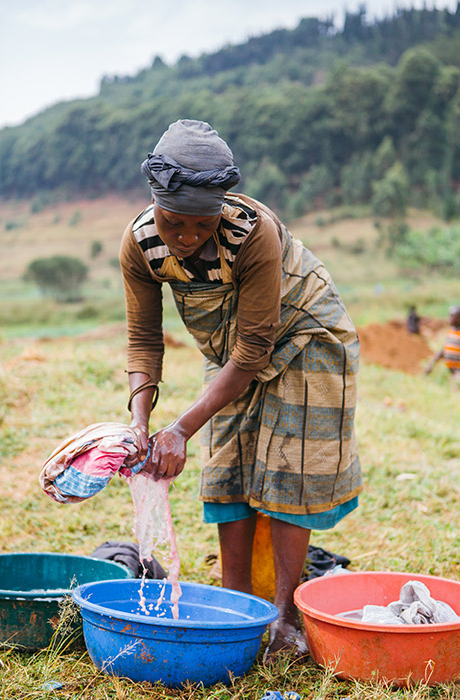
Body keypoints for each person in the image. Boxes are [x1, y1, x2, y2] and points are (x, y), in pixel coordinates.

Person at [119, 119, 363, 662]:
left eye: (200, 224)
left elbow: (255, 349)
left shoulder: (254, 234)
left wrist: (180, 427)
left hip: (304, 338)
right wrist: (139, 423)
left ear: (220, 208)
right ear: (154, 206)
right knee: (227, 468)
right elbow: (143, 340)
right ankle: (237, 608)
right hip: (229, 354)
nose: (185, 236)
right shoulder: (140, 245)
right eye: (172, 221)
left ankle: (285, 618)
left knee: (288, 475)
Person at [424, 305, 460, 385]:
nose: (449, 319)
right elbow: (444, 350)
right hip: (452, 372)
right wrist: (431, 364)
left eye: (452, 317)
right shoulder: (451, 332)